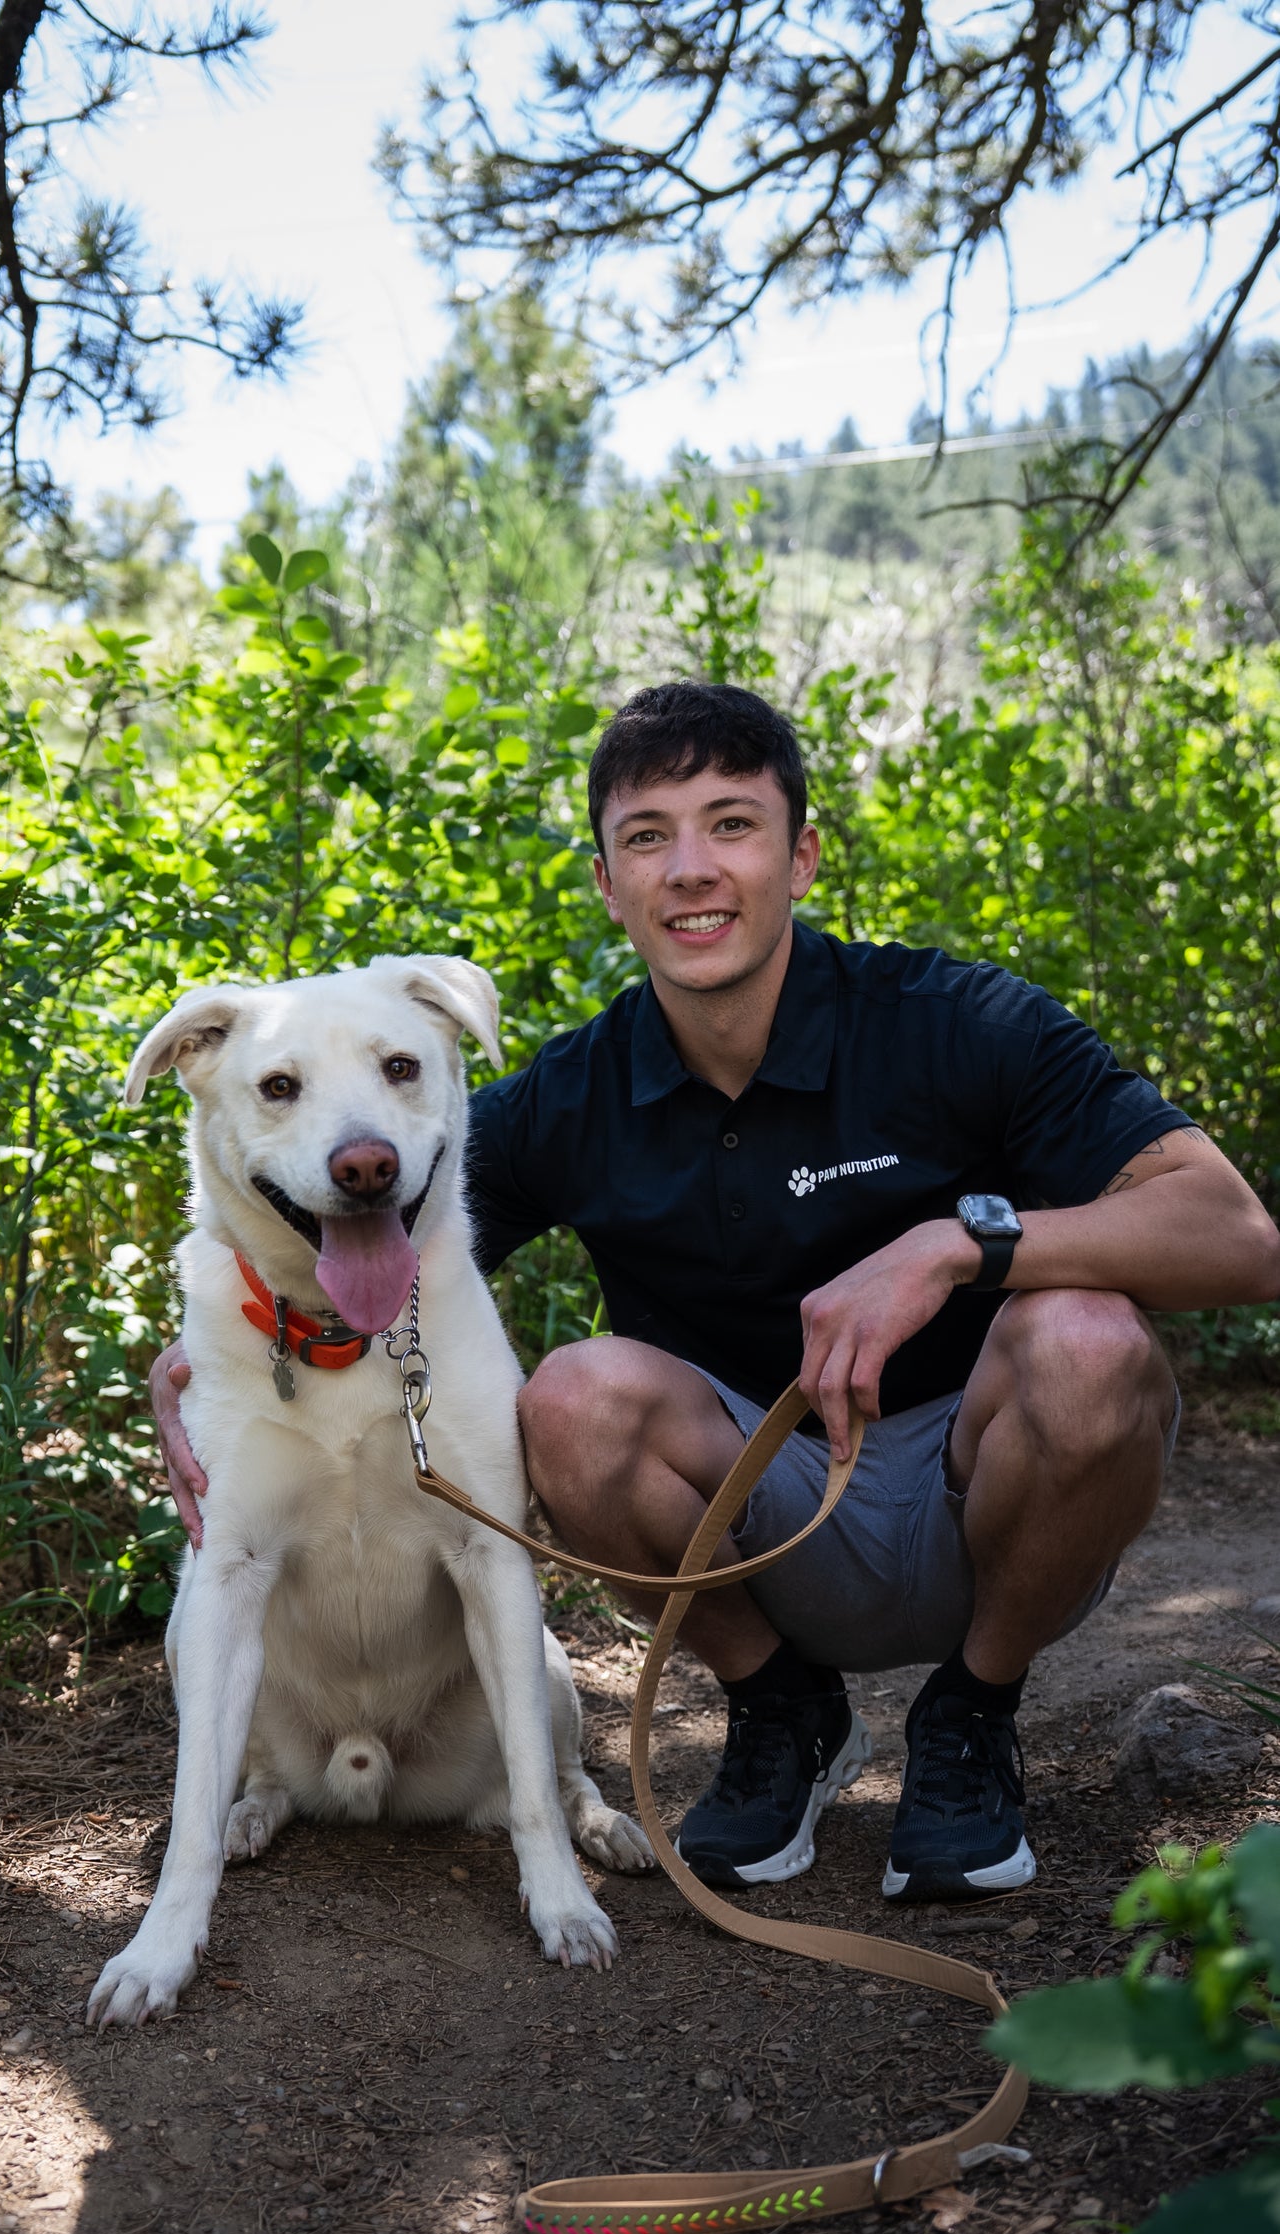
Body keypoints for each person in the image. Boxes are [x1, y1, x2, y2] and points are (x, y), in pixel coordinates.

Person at [149, 682, 1280, 1906]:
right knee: (571, 1396)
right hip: (755, 1527)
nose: (691, 869)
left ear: (800, 856)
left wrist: (956, 1243)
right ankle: (782, 1712)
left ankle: (972, 1715)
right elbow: (367, 1225)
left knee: (1088, 1339)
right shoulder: (574, 1096)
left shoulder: (957, 1022)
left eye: (731, 824)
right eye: (648, 837)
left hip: (979, 1487)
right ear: (606, 881)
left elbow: (1238, 1238)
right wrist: (222, 1349)